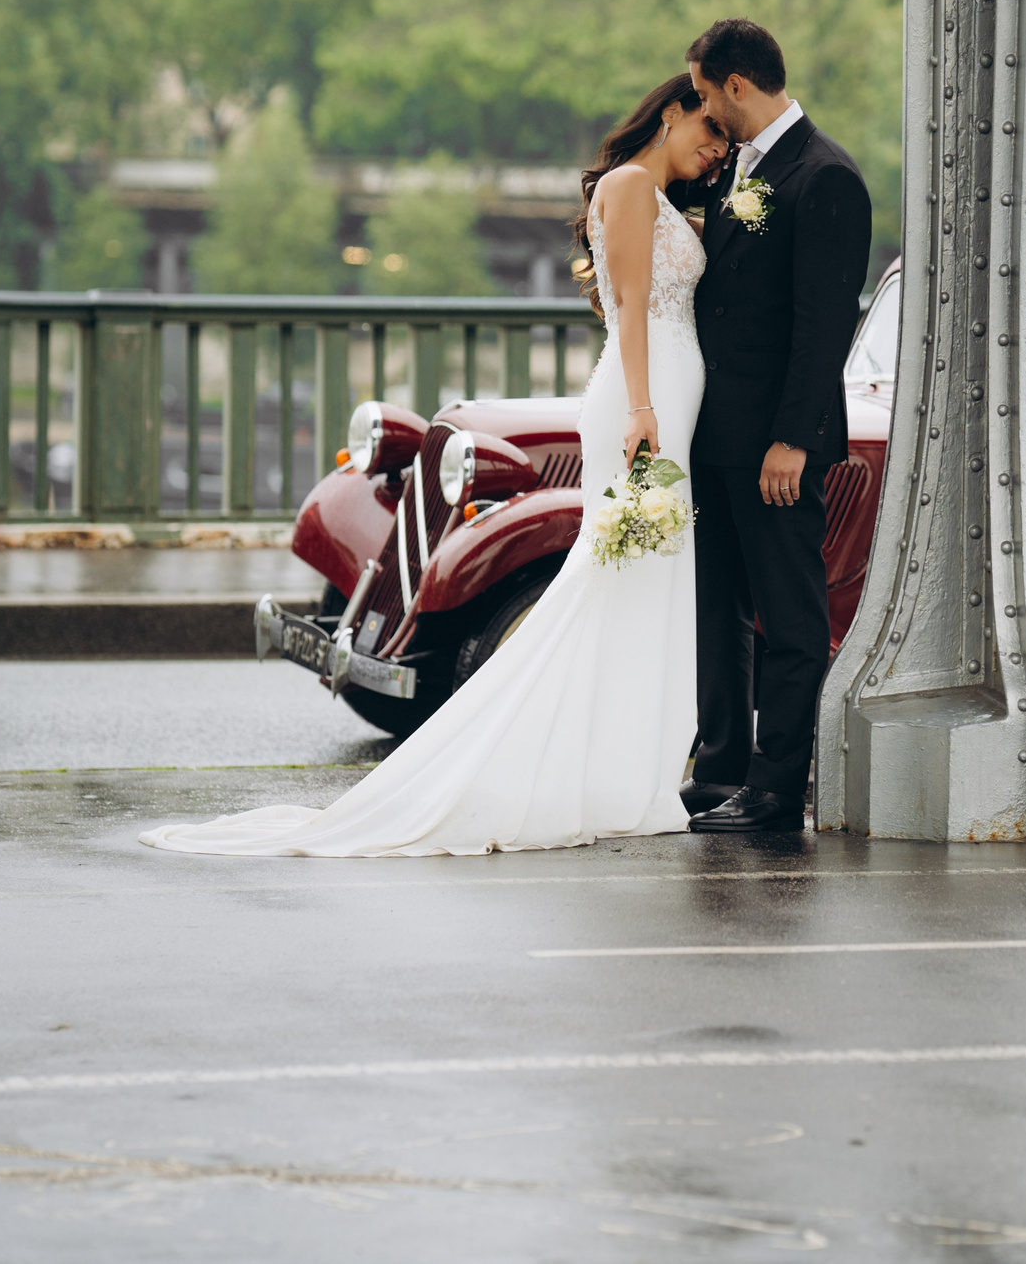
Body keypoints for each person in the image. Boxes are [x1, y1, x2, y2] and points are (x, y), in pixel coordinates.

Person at [137, 74, 729, 855]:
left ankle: (630, 770)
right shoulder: (626, 186)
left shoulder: (670, 199)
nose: (715, 150)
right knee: (609, 579)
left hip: (669, 399)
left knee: (648, 585)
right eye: (709, 131)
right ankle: (583, 767)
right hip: (639, 401)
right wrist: (646, 409)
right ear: (674, 109)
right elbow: (628, 308)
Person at [680, 19, 874, 834]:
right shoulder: (743, 172)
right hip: (717, 438)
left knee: (789, 618)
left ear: (735, 85)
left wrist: (791, 439)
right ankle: (718, 770)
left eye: (700, 94)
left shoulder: (825, 177)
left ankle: (775, 788)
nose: (699, 111)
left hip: (774, 446)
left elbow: (821, 323)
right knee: (719, 611)